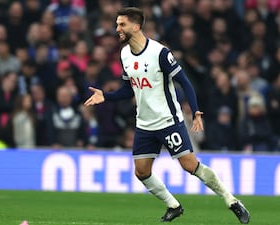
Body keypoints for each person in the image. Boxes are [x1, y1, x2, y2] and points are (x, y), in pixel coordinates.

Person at [84, 7, 250, 224]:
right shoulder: (124, 54)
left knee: (190, 166)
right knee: (141, 172)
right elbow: (128, 89)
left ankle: (232, 201)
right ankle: (174, 205)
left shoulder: (159, 53)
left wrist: (196, 110)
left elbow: (185, 82)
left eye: (122, 24)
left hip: (168, 121)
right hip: (144, 124)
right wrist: (105, 96)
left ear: (136, 26)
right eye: (117, 24)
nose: (117, 29)